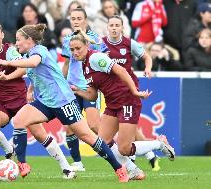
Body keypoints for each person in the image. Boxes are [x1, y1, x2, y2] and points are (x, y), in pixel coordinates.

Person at [0, 23, 130, 183]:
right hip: (46, 102)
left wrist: (7, 63)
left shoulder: (39, 51)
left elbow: (34, 64)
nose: (17, 43)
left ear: (29, 40)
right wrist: (15, 81)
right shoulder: (28, 55)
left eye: (19, 40)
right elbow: (34, 72)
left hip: (64, 101)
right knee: (20, 120)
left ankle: (119, 168)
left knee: (88, 136)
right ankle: (22, 164)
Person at [0, 20, 76, 179]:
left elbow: (23, 69)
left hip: (18, 99)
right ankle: (9, 150)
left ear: (2, 35)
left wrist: (7, 77)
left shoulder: (10, 52)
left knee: (39, 133)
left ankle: (66, 167)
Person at [69, 28, 176, 177]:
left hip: (126, 100)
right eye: (72, 49)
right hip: (112, 104)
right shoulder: (84, 66)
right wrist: (77, 91)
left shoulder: (96, 58)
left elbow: (122, 71)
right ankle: (134, 171)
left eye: (78, 48)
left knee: (124, 148)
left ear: (87, 45)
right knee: (102, 143)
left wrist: (134, 91)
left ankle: (159, 144)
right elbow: (93, 96)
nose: (75, 52)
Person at [61, 7, 106, 171]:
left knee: (94, 126)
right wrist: (61, 83)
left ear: (85, 20)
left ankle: (118, 153)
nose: (76, 21)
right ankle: (78, 163)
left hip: (89, 87)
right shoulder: (67, 40)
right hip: (72, 88)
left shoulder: (94, 39)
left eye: (79, 18)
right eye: (73, 19)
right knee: (70, 127)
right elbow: (66, 63)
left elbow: (103, 59)